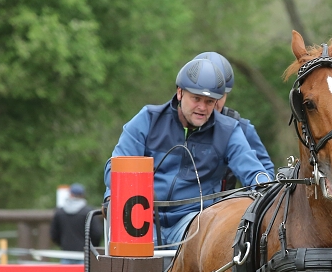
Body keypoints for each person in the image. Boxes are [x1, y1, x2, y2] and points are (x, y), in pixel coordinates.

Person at [103, 58, 273, 248]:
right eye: (196, 98)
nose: (202, 107)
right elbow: (115, 168)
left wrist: (264, 186)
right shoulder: (148, 118)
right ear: (180, 92)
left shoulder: (229, 130)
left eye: (209, 101)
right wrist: (135, 192)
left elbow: (254, 171)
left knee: (210, 234)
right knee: (128, 236)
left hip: (192, 220)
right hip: (142, 215)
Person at [192, 51, 275, 190]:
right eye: (199, 96)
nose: (212, 102)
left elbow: (265, 172)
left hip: (222, 207)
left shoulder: (241, 128)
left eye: (219, 95)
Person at [50, 183, 103, 264]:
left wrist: (63, 244)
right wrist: (91, 246)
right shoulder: (88, 212)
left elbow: (54, 234)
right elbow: (97, 233)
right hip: (84, 254)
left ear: (70, 194)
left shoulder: (59, 212)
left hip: (65, 253)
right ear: (82, 195)